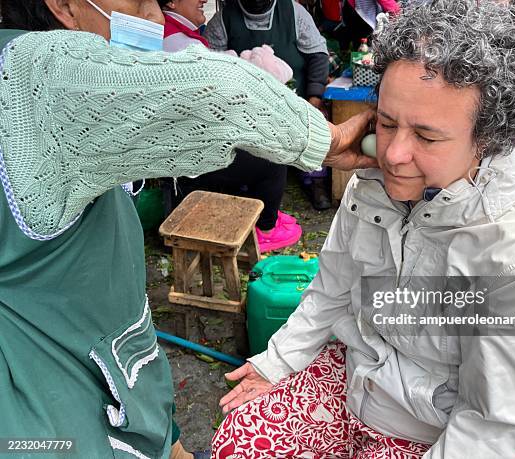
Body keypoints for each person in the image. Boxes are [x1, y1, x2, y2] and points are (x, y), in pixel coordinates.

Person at [0, 0, 376, 458]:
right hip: (56, 419)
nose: (156, 20)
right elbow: (220, 92)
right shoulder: (30, 77)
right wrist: (329, 141)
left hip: (118, 381)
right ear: (63, 6)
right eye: (138, 3)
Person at [213, 1, 515, 457]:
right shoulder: (370, 187)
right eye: (385, 123)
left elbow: (497, 423)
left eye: (426, 137)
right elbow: (331, 288)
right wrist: (277, 361)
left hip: (434, 431)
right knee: (239, 439)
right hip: (351, 378)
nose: (392, 155)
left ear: (489, 138)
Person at [157, 0, 304, 252]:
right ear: (171, 2)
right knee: (274, 158)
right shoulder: (180, 44)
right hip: (189, 157)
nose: (203, 0)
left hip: (189, 144)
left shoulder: (174, 34)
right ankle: (265, 228)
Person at [205, 0, 334, 210]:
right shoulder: (223, 19)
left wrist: (314, 98)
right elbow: (213, 65)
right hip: (246, 108)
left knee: (314, 129)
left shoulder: (295, 13)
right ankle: (249, 187)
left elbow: (318, 55)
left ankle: (315, 181)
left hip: (295, 100)